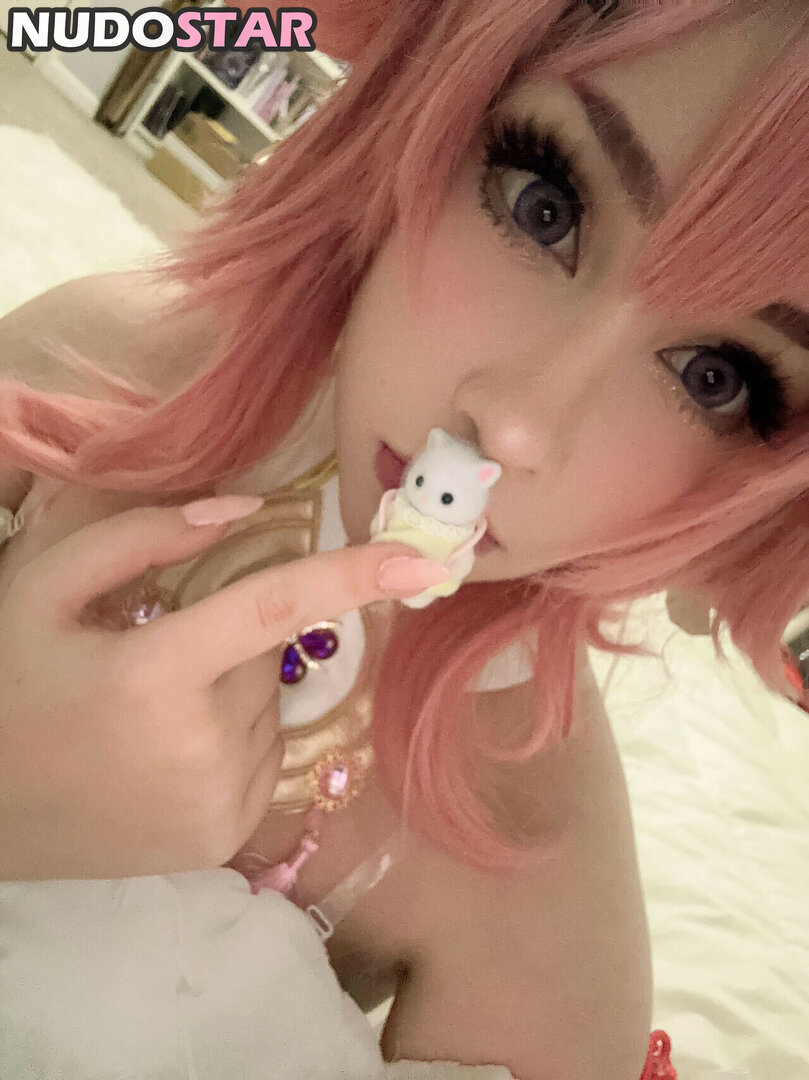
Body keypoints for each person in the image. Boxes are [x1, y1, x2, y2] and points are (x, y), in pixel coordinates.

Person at [0, 0, 807, 1076]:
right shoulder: (93, 379)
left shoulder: (536, 885)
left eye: (715, 378)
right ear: (430, 114)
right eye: (544, 206)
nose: (516, 424)